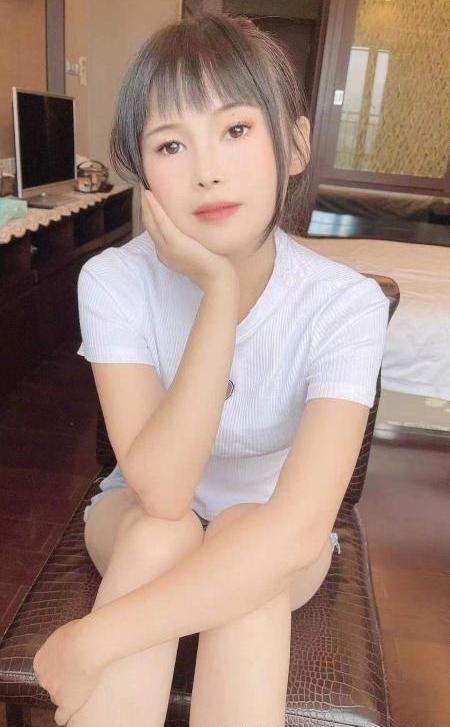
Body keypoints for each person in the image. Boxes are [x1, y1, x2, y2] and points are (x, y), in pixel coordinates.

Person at [49, 11, 389, 727]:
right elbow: (164, 491)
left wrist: (91, 641)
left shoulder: (345, 305)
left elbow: (296, 531)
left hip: (275, 525)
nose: (206, 170)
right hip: (140, 510)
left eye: (236, 129)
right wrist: (218, 293)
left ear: (295, 145)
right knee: (163, 533)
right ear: (143, 173)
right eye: (171, 145)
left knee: (248, 560)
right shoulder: (112, 281)